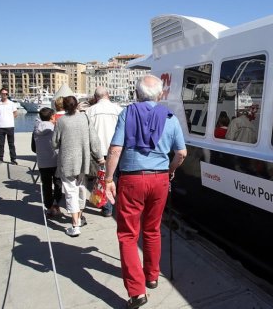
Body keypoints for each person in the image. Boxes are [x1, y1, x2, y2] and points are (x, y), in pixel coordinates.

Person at [104, 74, 186, 309]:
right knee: (152, 230)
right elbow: (181, 154)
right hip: (159, 179)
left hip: (131, 180)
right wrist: (170, 171)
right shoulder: (170, 118)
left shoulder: (127, 113)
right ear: (160, 94)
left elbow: (115, 149)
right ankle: (151, 276)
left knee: (128, 235)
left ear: (137, 94)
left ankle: (137, 292)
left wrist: (108, 178)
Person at [52, 96, 104, 237]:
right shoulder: (85, 118)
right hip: (83, 160)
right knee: (81, 189)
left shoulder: (61, 121)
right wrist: (99, 156)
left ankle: (75, 225)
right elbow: (94, 139)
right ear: (76, 105)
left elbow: (54, 142)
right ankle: (79, 218)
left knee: (70, 192)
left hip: (67, 161)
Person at [86, 86, 123, 217]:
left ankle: (107, 207)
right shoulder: (119, 110)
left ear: (96, 97)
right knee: (114, 178)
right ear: (108, 95)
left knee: (102, 178)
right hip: (116, 148)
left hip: (98, 150)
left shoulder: (89, 111)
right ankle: (113, 204)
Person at [33, 107, 62, 217]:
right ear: (51, 116)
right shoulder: (54, 128)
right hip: (55, 160)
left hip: (42, 161)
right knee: (58, 183)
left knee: (46, 185)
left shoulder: (36, 129)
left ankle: (49, 206)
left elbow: (33, 146)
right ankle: (56, 204)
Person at [0, 87, 18, 166]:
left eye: (6, 94)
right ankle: (0, 159)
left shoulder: (11, 103)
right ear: (0, 94)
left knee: (11, 144)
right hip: (0, 127)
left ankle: (13, 159)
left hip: (10, 126)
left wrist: (9, 118)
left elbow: (15, 113)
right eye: (3, 93)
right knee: (1, 144)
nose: (4, 95)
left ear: (7, 94)